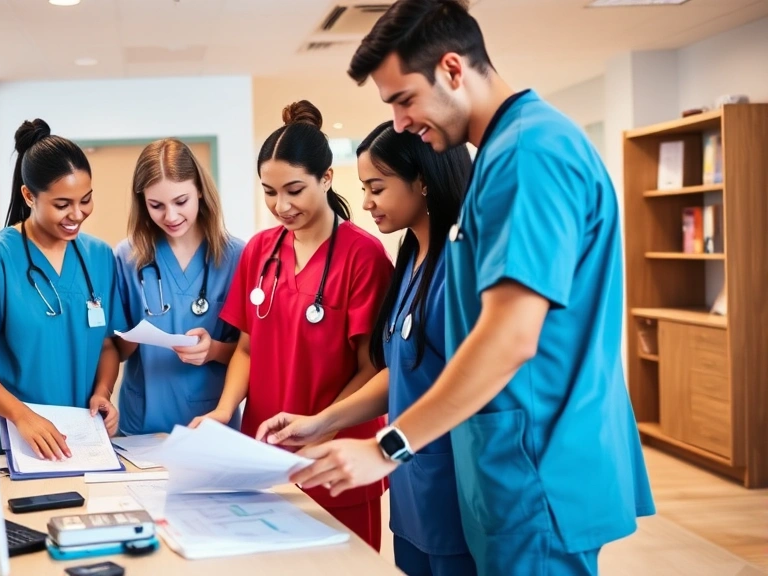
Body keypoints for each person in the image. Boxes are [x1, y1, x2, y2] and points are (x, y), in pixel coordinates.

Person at [288, 2, 656, 574]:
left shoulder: (530, 154)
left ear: (453, 70)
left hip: (540, 467)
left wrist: (388, 446)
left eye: (404, 100)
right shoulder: (501, 157)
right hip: (509, 465)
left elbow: (509, 337)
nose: (402, 122)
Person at [256, 121, 475, 575]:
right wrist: (321, 423)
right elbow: (398, 369)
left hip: (453, 475)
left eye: (377, 187)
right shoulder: (412, 257)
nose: (366, 202)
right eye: (364, 187)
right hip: (412, 480)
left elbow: (467, 377)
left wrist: (379, 447)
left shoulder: (461, 264)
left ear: (423, 181)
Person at [190, 100, 394, 550]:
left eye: (294, 190)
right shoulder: (260, 250)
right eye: (269, 191)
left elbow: (373, 367)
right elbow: (246, 348)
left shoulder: (364, 256)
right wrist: (225, 411)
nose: (280, 205)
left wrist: (322, 423)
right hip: (262, 455)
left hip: (334, 455)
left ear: (326, 179)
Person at [0, 118, 126, 461]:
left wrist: (103, 391)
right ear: (29, 195)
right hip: (12, 442)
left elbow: (108, 344)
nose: (77, 214)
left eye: (85, 200)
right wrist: (22, 416)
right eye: (62, 204)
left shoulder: (99, 256)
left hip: (84, 443)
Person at [114, 138, 246, 435]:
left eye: (181, 201)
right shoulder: (127, 256)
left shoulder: (237, 258)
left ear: (199, 189)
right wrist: (133, 337)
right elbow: (116, 349)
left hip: (211, 425)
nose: (170, 216)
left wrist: (213, 350)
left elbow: (249, 351)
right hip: (142, 424)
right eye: (156, 205)